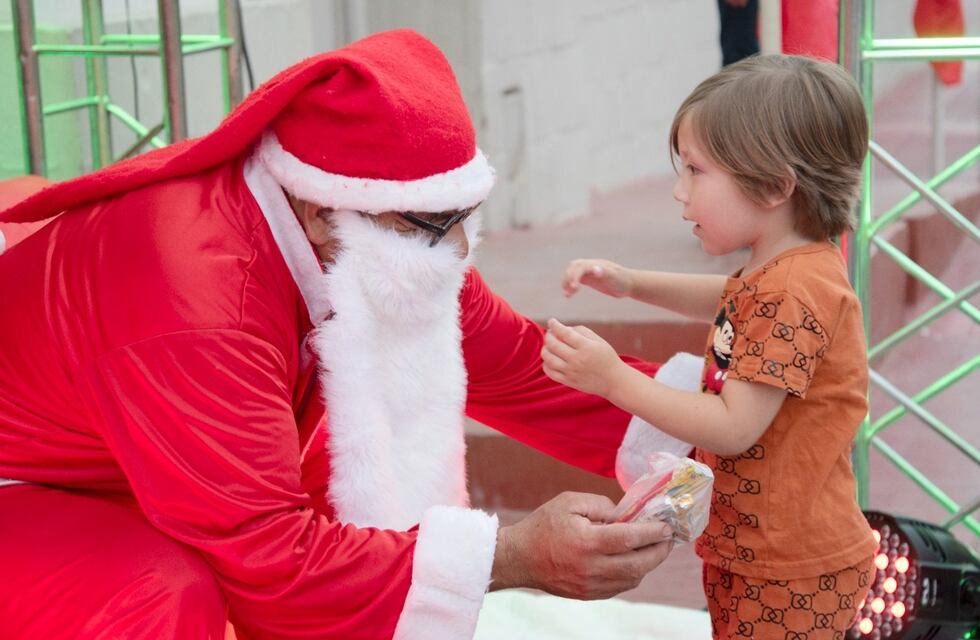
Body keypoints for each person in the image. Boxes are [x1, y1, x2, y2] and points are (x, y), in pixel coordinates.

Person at [0, 29, 701, 640]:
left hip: (130, 451)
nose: (457, 250)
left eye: (463, 217)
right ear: (317, 209)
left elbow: (517, 366)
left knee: (345, 472)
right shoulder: (197, 291)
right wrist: (511, 556)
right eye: (431, 225)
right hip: (25, 481)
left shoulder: (374, 230)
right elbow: (267, 555)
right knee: (155, 590)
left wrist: (712, 430)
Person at [542, 55, 878, 639]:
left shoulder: (793, 290)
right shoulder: (783, 271)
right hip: (760, 551)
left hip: (789, 569)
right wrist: (630, 283)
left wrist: (612, 379)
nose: (680, 191)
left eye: (696, 171)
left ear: (774, 185)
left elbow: (731, 426)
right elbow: (731, 298)